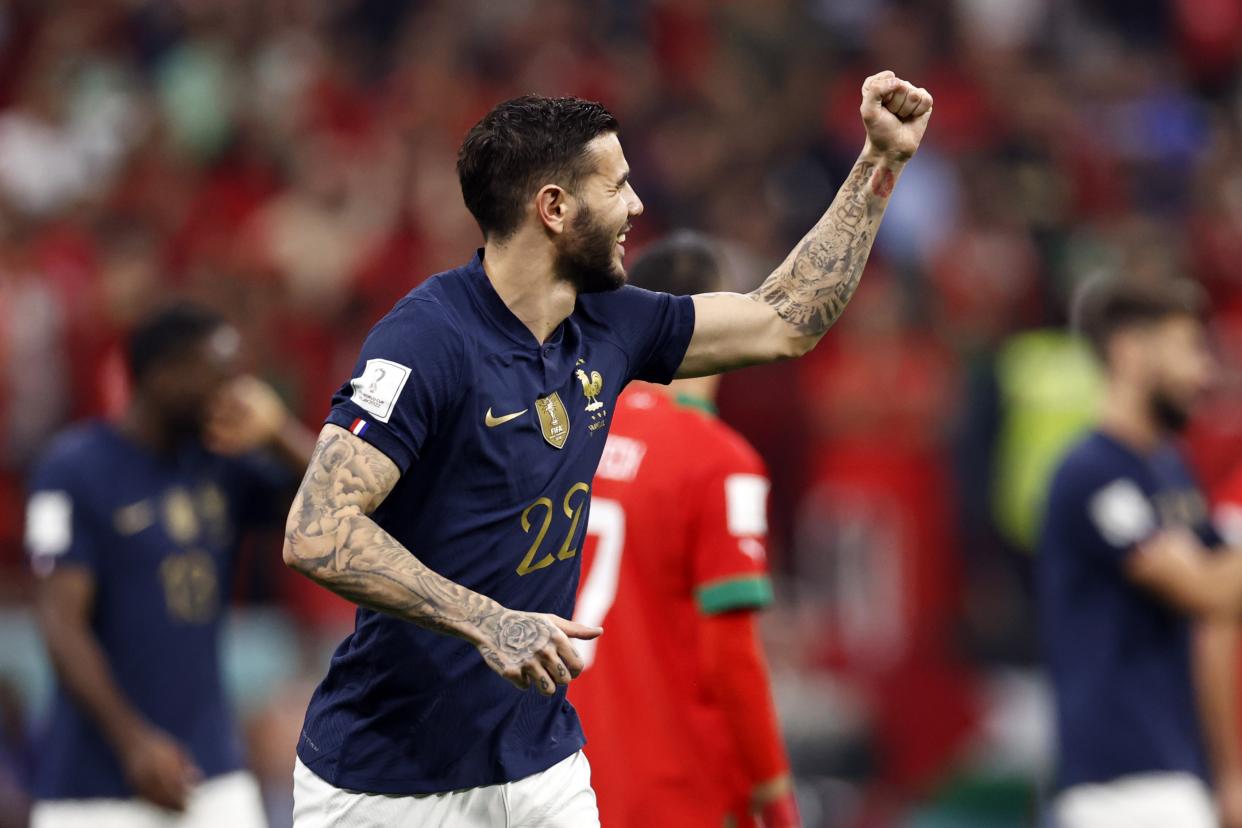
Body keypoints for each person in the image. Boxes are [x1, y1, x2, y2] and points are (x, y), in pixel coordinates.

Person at [284, 71, 932, 827]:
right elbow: (316, 531)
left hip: (540, 764)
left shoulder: (612, 323)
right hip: (386, 779)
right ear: (554, 209)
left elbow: (784, 320)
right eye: (616, 187)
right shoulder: (427, 340)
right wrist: (489, 621)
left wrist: (879, 162)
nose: (637, 206)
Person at [24, 303, 315, 828]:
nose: (236, 393)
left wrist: (277, 433)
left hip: (214, 773)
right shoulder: (73, 469)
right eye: (220, 375)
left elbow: (338, 504)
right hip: (94, 787)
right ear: (162, 376)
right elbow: (60, 624)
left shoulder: (224, 464)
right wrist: (134, 742)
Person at [568, 232, 798, 828]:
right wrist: (774, 796)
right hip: (673, 794)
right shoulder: (720, 463)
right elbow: (732, 657)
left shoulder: (560, 439)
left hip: (554, 784)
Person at [1039, 275, 1242, 828]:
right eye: (1186, 349)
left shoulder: (1171, 473)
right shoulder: (1092, 475)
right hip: (1120, 781)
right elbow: (1205, 588)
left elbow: (1222, 582)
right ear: (1129, 352)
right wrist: (1213, 574)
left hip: (1173, 769)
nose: (1202, 372)